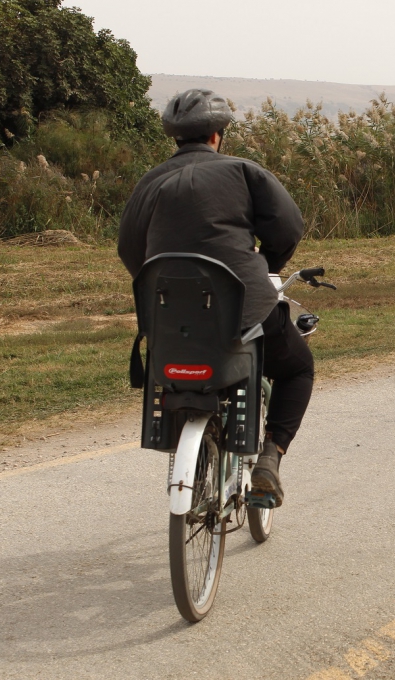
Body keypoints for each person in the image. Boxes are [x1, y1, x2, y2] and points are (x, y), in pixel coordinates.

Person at [117, 89, 312, 506]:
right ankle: (270, 459)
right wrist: (267, 263)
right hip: (247, 309)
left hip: (169, 318)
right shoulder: (244, 171)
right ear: (218, 134)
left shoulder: (150, 183)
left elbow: (130, 250)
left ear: (176, 137)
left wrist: (163, 286)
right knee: (297, 368)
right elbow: (288, 228)